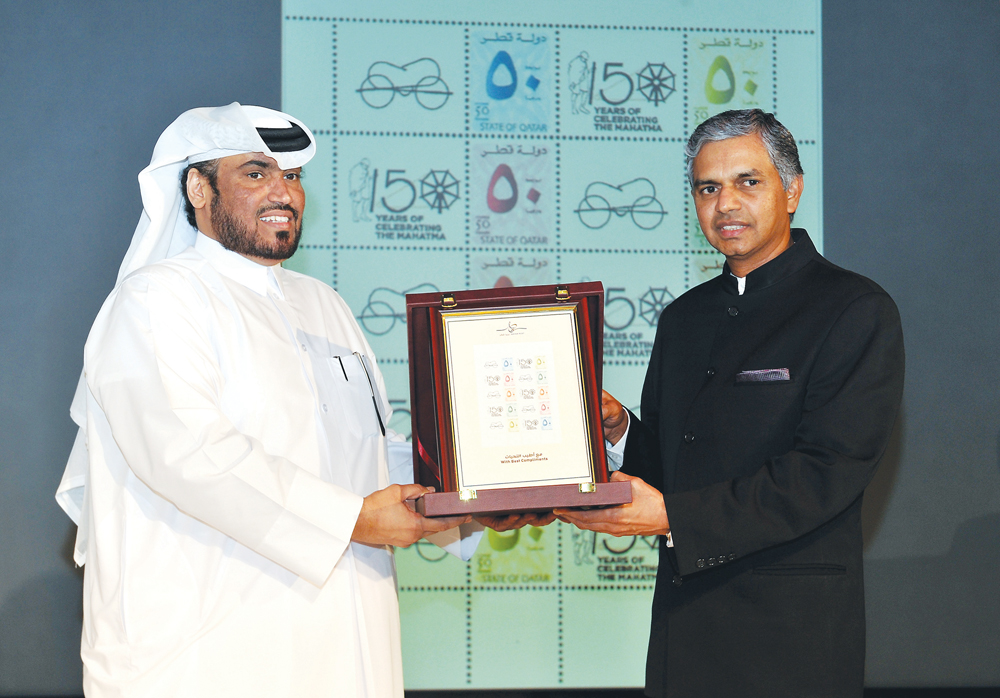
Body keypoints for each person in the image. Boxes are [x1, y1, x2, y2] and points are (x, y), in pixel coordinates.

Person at [55, 103, 477, 698]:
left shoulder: (323, 303)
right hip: (210, 658)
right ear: (198, 189)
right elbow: (192, 456)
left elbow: (366, 456)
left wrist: (467, 495)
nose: (283, 191)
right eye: (256, 173)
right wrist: (353, 519)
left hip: (346, 651)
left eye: (293, 176)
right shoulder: (155, 301)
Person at [555, 109, 905, 697]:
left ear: (792, 191)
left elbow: (824, 472)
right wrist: (617, 432)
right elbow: (672, 467)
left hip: (790, 640)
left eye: (749, 182)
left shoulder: (854, 309)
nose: (726, 205)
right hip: (684, 628)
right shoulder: (684, 318)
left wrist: (673, 517)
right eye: (708, 188)